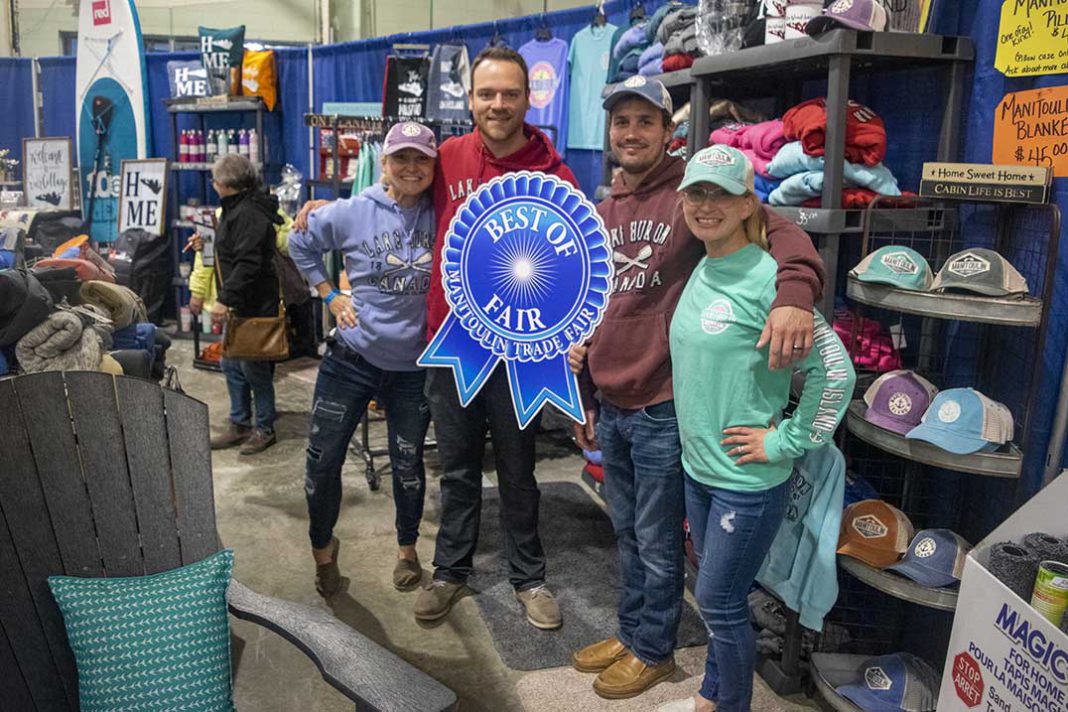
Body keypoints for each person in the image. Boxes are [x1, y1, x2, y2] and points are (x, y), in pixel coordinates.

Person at [568, 77, 826, 700]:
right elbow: (590, 303)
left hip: (662, 404)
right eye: (621, 122)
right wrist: (583, 385)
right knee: (626, 533)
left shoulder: (694, 194)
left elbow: (783, 232)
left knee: (658, 541)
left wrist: (795, 294)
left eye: (645, 121)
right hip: (612, 399)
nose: (632, 133)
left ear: (668, 130)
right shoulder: (601, 211)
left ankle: (654, 648)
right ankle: (633, 632)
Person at [657, 145, 854, 712]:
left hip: (745, 481)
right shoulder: (703, 265)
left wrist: (786, 440)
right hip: (700, 470)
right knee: (720, 598)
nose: (705, 204)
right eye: (696, 192)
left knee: (719, 604)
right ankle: (710, 695)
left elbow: (836, 373)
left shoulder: (770, 280)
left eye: (721, 193)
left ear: (749, 204)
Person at [416, 46, 579, 630]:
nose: (498, 104)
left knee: (517, 470)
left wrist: (570, 336)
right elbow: (396, 196)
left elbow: (575, 265)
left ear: (529, 98)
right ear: (470, 99)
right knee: (457, 469)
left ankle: (529, 577)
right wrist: (322, 210)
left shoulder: (554, 173)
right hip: (453, 342)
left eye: (510, 93)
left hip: (520, 350)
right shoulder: (446, 159)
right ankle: (450, 571)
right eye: (487, 93)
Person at [288, 122, 438, 597]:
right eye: (401, 158)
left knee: (408, 465)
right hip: (352, 359)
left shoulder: (444, 211)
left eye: (421, 158)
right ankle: (323, 551)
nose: (411, 168)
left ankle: (407, 550)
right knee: (322, 461)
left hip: (414, 367)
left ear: (434, 165)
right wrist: (329, 295)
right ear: (384, 163)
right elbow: (298, 242)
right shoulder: (354, 210)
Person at [203, 154, 285, 455]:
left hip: (253, 304)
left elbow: (248, 263)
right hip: (243, 303)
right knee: (232, 362)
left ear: (225, 184)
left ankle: (264, 427)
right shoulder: (237, 209)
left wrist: (225, 299)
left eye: (215, 179)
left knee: (254, 368)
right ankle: (240, 422)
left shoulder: (247, 213)